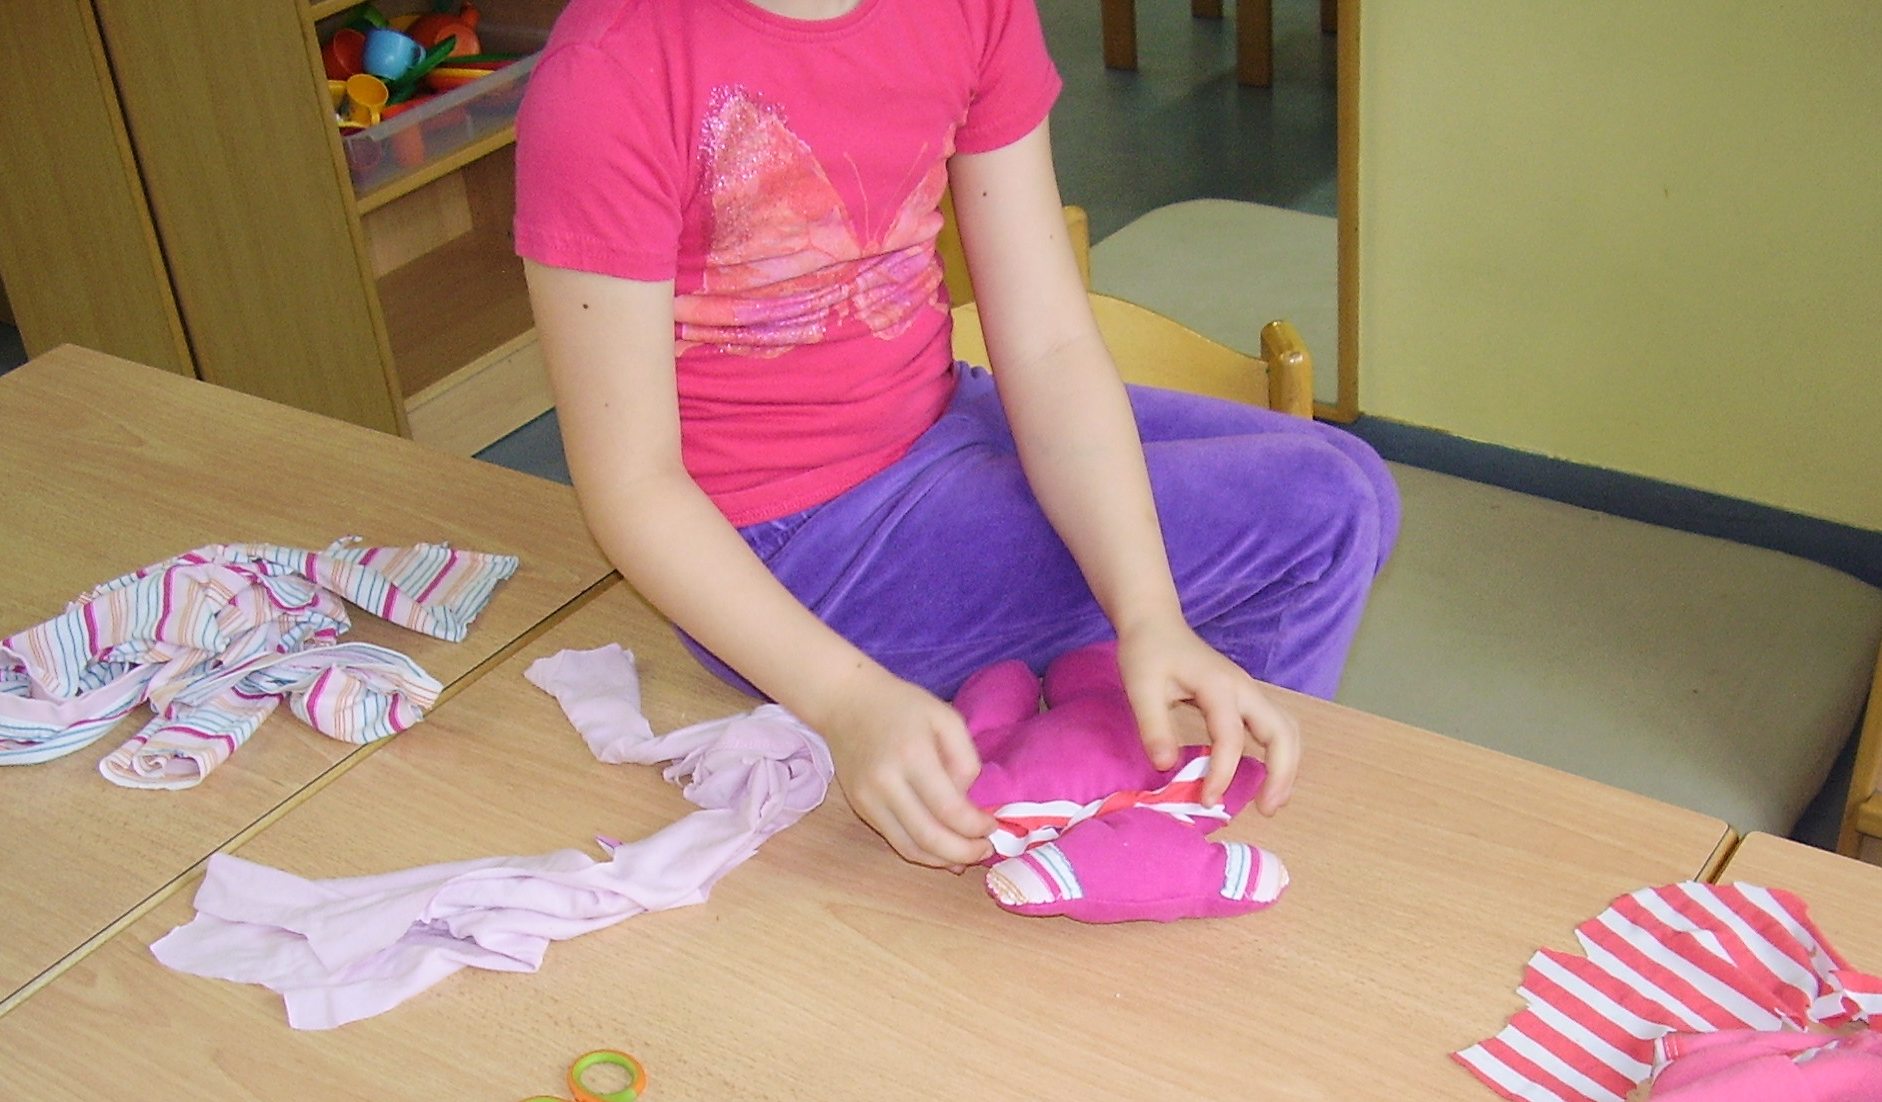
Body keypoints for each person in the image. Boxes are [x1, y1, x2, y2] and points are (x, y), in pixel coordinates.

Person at [513, 0, 1399, 872]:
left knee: (1351, 482)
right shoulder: (611, 69)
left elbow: (1049, 346)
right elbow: (634, 486)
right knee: (1327, 512)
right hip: (788, 551)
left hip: (936, 419)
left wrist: (1150, 613)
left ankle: (1133, 772)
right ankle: (1149, 821)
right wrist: (847, 701)